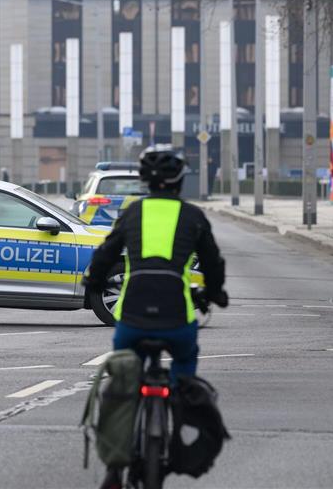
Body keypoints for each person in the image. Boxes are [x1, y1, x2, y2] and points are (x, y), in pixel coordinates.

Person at [84, 144, 228, 489]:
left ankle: (115, 469)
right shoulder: (193, 216)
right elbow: (212, 262)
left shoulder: (133, 213)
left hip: (132, 317)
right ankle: (177, 422)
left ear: (145, 182)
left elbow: (105, 254)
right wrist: (215, 293)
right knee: (184, 368)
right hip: (177, 318)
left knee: (123, 382)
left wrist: (93, 282)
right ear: (181, 182)